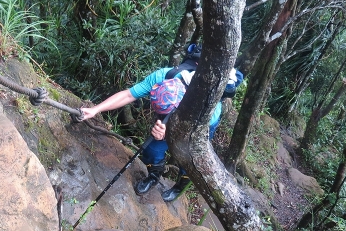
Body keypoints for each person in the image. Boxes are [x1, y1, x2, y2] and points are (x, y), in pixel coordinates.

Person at [80, 47, 243, 202]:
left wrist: (170, 131)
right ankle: (153, 176)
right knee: (151, 150)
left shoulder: (210, 109)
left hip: (198, 127)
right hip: (166, 125)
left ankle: (180, 185)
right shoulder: (165, 76)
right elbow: (129, 95)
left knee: (191, 158)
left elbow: (194, 135)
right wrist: (95, 110)